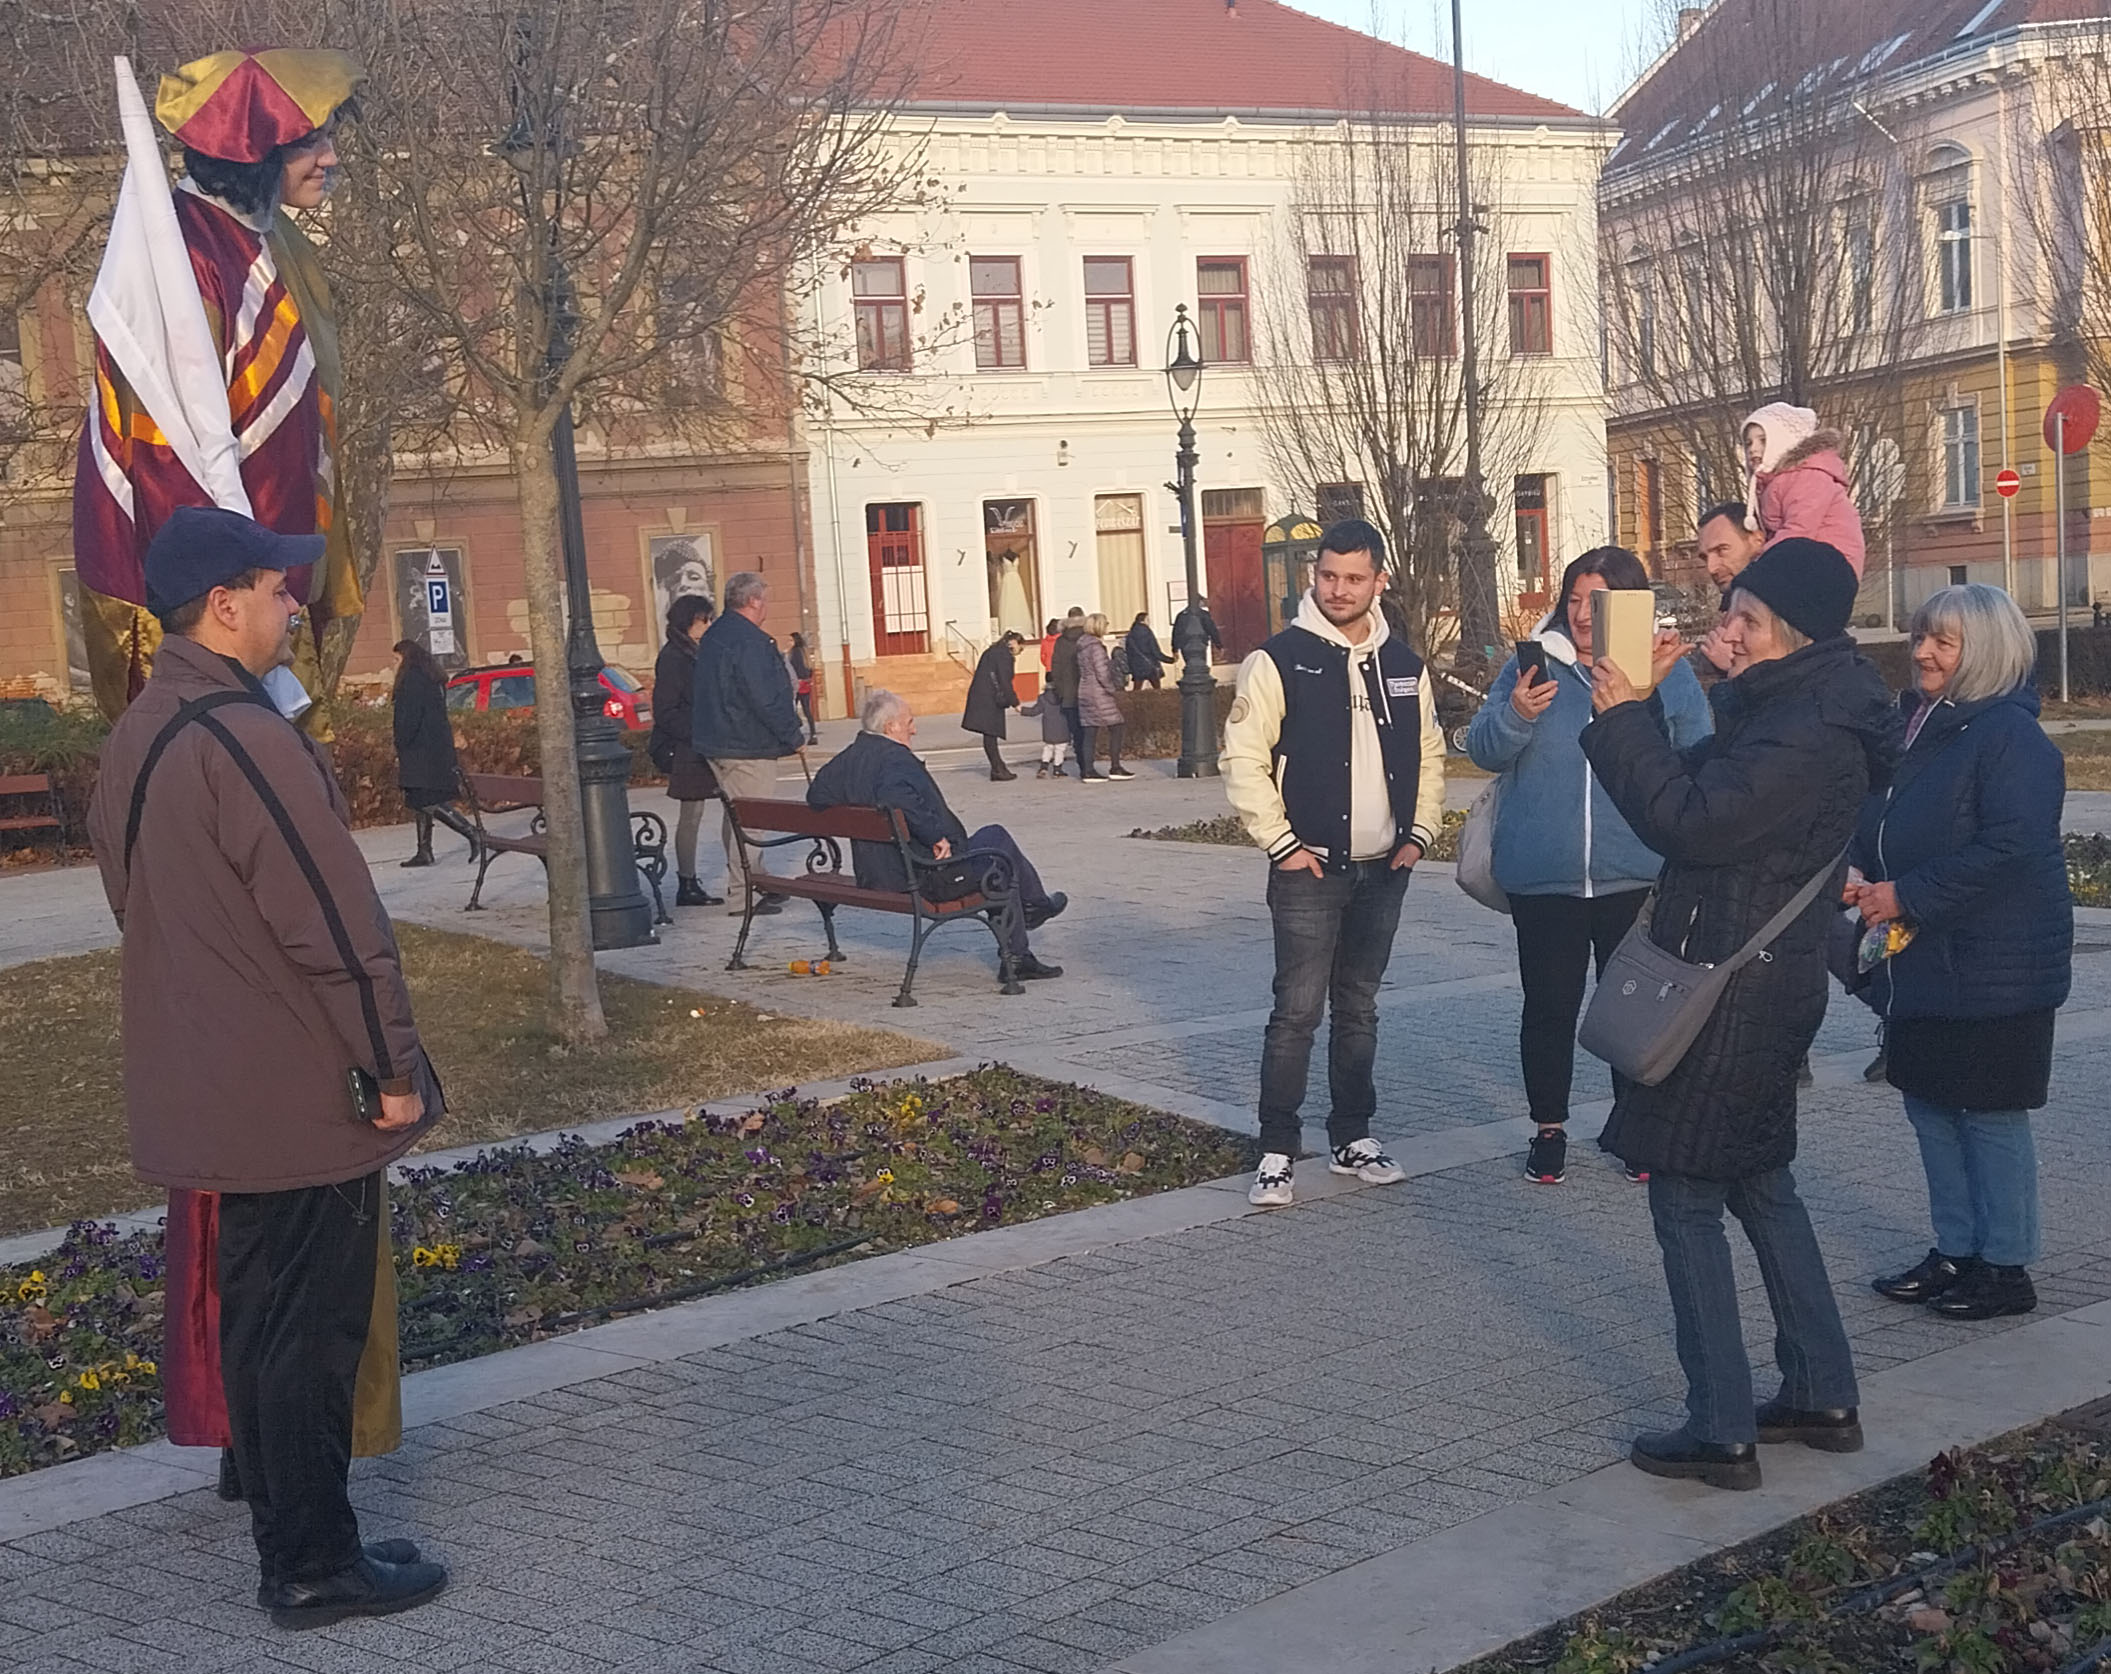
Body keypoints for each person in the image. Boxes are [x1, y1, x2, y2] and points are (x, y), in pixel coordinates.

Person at [85, 506, 447, 1625]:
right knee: (308, 1334)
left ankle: (287, 1516)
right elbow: (337, 927)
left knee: (258, 1318)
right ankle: (312, 1561)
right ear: (223, 604)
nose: (295, 602)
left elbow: (133, 904)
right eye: (278, 587)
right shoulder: (245, 737)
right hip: (294, 1093)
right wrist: (392, 1066)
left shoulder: (142, 731)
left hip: (211, 1079)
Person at [1580, 537, 1897, 1490]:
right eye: (1730, 615)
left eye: (1746, 619)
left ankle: (1718, 1426)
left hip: (1734, 991)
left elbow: (1691, 822)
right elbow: (1700, 786)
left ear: (1793, 632)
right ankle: (1819, 1393)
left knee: (1684, 1196)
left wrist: (1621, 718)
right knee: (1760, 1182)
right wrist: (1663, 699)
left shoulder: (1809, 726)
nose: (1730, 631)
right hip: (1754, 979)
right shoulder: (1797, 705)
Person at [72, 49, 367, 723]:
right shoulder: (182, 258)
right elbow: (167, 460)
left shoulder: (275, 240)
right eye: (310, 143)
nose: (330, 158)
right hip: (217, 610)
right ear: (252, 151)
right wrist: (231, 612)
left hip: (273, 574)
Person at [1850, 585, 2071, 1322]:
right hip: (1923, 957)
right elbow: (1879, 817)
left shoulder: (2009, 736)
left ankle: (2005, 1266)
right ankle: (1955, 1249)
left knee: (1988, 1115)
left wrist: (1905, 893)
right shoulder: (1915, 726)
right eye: (1920, 636)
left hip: (1996, 965)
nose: (1921, 652)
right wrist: (1859, 868)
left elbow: (2012, 847)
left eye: (1942, 642)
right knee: (1931, 1107)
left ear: (1985, 650)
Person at [1466, 547, 1712, 1186]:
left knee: (1630, 1010)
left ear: (1627, 606)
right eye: (1573, 600)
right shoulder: (1533, 664)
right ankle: (1548, 1129)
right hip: (1544, 875)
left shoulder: (1664, 671)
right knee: (1549, 1008)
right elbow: (1483, 749)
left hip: (1635, 871)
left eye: (1596, 603)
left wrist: (1647, 696)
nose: (1580, 614)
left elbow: (1698, 755)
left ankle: (1635, 1127)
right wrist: (1517, 715)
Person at [1223, 519, 1445, 1207]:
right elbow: (1243, 760)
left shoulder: (1404, 666)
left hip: (1384, 869)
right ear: (1313, 576)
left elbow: (1430, 754)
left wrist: (1419, 833)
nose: (1338, 589)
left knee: (1359, 1009)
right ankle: (1276, 1148)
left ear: (1379, 581)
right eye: (1327, 576)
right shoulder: (1278, 660)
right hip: (1309, 872)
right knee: (1295, 1012)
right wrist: (1282, 845)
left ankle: (1353, 1136)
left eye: (1353, 578)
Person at [809, 690, 1066, 982]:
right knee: (998, 853)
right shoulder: (895, 759)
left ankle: (1033, 912)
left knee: (994, 840)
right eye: (910, 722)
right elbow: (894, 795)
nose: (914, 729)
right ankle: (1025, 934)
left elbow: (817, 794)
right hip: (922, 874)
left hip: (875, 873)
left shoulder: (851, 756)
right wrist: (934, 836)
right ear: (891, 726)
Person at [693, 571, 804, 915]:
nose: (767, 606)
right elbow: (764, 697)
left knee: (736, 815)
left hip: (716, 740)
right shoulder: (749, 642)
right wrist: (793, 735)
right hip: (747, 743)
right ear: (754, 601)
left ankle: (758, 878)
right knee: (751, 819)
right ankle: (742, 896)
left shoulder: (714, 636)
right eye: (765, 600)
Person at [651, 594, 724, 907]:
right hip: (688, 746)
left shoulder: (698, 651)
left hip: (706, 740)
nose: (708, 625)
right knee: (691, 814)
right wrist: (697, 732)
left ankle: (739, 874)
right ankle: (687, 881)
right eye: (703, 619)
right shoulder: (674, 657)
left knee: (729, 806)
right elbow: (665, 710)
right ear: (688, 621)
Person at [1742, 404, 1866, 577]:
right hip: (1812, 561)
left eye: (1763, 441)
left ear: (1782, 441)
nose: (1753, 449)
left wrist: (1758, 562)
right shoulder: (1775, 483)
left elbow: (1799, 530)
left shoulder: (1808, 477)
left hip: (1835, 565)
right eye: (1748, 443)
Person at [389, 641, 476, 868]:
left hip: (420, 750)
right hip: (434, 748)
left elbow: (408, 717)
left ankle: (473, 833)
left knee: (425, 800)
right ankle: (424, 850)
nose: (393, 664)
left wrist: (400, 741)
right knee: (421, 799)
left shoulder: (412, 680)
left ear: (407, 659)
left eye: (396, 659)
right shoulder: (430, 678)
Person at [1077, 612, 1132, 781]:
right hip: (1098, 693)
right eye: (1106, 624)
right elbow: (1102, 673)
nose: (1107, 626)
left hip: (1084, 690)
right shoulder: (1096, 647)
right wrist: (1112, 689)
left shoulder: (1082, 646)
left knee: (1090, 731)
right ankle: (1115, 767)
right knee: (1117, 726)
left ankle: (1087, 770)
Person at [963, 631, 1026, 781]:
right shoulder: (1004, 656)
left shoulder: (992, 651)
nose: (1019, 652)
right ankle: (998, 769)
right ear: (1014, 643)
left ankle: (998, 768)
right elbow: (1004, 681)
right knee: (990, 733)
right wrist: (1015, 702)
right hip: (991, 699)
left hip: (983, 696)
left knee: (989, 734)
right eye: (1021, 648)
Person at [1048, 607, 1090, 773]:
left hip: (1068, 695)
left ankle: (1083, 766)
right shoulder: (1088, 638)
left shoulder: (1060, 641)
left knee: (1076, 732)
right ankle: (1090, 766)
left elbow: (1056, 668)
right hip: (1088, 692)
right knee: (1089, 731)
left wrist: (1060, 691)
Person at [1126, 612, 1172, 690]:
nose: (1149, 622)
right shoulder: (1148, 632)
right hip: (1150, 665)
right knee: (1157, 689)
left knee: (1137, 689)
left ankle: (1135, 698)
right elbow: (1155, 651)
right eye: (1148, 619)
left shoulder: (1131, 634)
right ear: (1144, 620)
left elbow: (1129, 652)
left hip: (1136, 666)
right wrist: (1169, 660)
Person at [788, 631, 820, 745]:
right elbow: (809, 668)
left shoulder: (794, 653)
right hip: (806, 684)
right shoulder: (804, 652)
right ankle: (813, 734)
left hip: (797, 684)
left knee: (792, 709)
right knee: (807, 710)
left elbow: (793, 669)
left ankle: (796, 730)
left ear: (795, 641)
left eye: (790, 640)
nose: (788, 643)